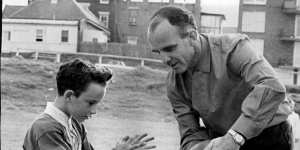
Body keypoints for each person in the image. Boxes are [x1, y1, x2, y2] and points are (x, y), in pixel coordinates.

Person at [147, 5, 294, 150]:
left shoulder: (234, 48)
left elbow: (272, 86)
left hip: (270, 137)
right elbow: (190, 134)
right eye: (158, 52)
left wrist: (234, 137)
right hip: (222, 142)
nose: (165, 59)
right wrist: (206, 147)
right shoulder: (174, 83)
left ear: (192, 36)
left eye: (169, 48)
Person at [23, 59, 156, 150]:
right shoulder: (47, 129)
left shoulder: (75, 125)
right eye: (91, 103)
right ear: (69, 96)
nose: (94, 111)